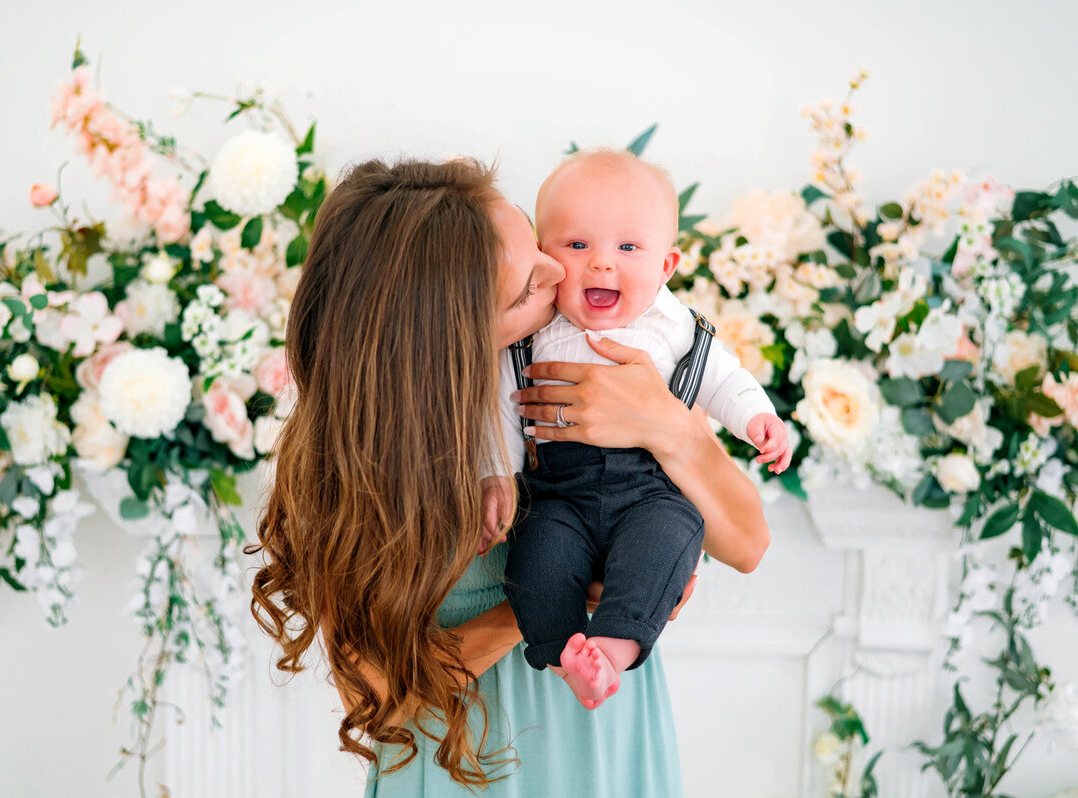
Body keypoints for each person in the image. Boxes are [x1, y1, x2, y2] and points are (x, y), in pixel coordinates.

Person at [247, 157, 771, 796]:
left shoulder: (609, 372)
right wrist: (547, 605)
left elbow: (747, 545)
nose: (561, 272)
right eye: (528, 285)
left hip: (607, 749)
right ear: (455, 336)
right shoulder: (356, 463)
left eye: (539, 247)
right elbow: (381, 696)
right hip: (463, 767)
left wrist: (669, 426)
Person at [493, 149, 792, 709]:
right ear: (545, 256)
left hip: (649, 489)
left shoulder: (672, 324)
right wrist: (501, 481)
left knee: (666, 541)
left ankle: (615, 647)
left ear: (666, 267)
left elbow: (723, 377)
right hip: (558, 490)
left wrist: (758, 418)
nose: (602, 264)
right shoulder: (532, 327)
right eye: (577, 245)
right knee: (536, 554)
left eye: (628, 248)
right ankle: (565, 656)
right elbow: (510, 410)